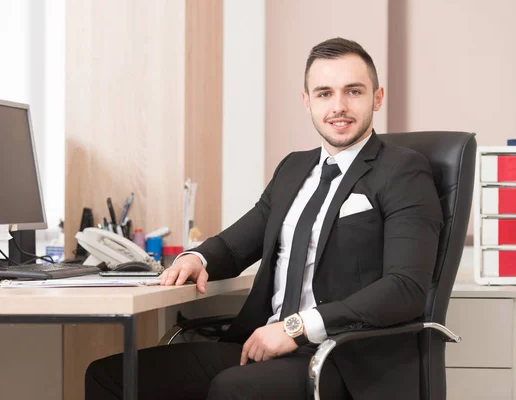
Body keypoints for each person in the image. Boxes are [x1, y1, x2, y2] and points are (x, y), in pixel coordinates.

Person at [85, 37, 442, 400]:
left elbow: (405, 289)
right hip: (264, 346)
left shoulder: (403, 170)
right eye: (323, 93)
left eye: (353, 91)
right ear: (306, 102)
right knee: (110, 376)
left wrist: (296, 327)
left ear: (377, 98)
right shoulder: (294, 168)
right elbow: (236, 244)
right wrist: (197, 257)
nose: (338, 106)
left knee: (233, 388)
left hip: (344, 358)